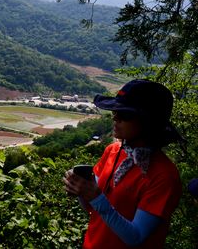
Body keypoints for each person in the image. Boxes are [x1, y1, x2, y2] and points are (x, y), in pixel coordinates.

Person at [63, 79, 182, 248]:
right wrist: (81, 191)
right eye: (115, 111)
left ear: (148, 122)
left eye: (124, 114)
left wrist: (97, 198)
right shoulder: (112, 151)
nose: (115, 117)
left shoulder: (164, 176)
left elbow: (137, 237)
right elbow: (93, 208)